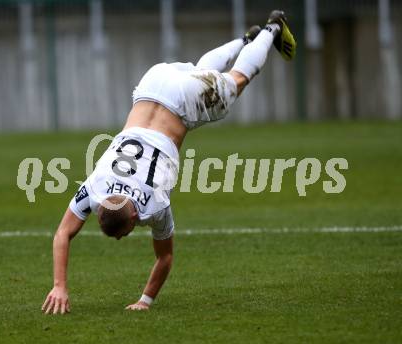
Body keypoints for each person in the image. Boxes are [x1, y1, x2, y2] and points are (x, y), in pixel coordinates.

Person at [41, 10, 296, 314]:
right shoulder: (94, 189)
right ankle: (245, 40)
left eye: (125, 234)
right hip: (152, 84)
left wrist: (144, 301)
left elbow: (165, 258)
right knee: (201, 72)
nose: (124, 239)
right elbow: (63, 234)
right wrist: (58, 284)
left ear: (134, 218)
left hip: (180, 105)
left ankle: (272, 28)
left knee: (238, 80)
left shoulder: (154, 206)